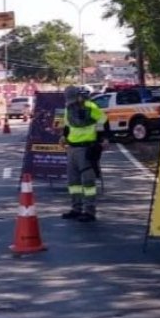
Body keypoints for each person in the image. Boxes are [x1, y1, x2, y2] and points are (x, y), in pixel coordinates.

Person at [59, 87, 107, 222]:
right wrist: (64, 137)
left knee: (88, 181)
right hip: (72, 148)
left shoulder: (91, 107)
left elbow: (103, 121)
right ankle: (76, 209)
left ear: (80, 96)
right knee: (73, 182)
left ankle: (90, 211)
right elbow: (68, 126)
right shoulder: (68, 109)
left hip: (87, 148)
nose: (72, 102)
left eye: (75, 100)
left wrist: (103, 139)